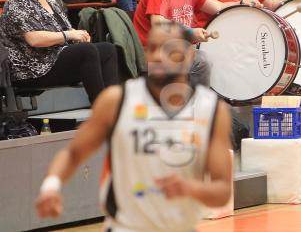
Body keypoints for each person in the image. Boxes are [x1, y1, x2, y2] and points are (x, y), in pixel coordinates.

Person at [36, 22, 232, 232]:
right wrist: (51, 186)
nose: (157, 56)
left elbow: (222, 191)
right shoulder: (116, 100)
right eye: (152, 48)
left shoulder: (211, 110)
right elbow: (73, 153)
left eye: (168, 49)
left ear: (188, 55)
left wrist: (191, 189)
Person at [0, 0, 118, 103]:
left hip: (54, 59)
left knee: (108, 50)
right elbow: (34, 39)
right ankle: (101, 108)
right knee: (86, 51)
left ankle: (112, 105)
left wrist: (78, 35)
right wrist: (68, 35)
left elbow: (65, 29)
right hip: (31, 69)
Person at [133, 0, 244, 87]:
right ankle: (198, 101)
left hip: (175, 51)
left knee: (218, 53)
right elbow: (159, 25)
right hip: (152, 58)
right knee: (201, 60)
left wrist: (242, 3)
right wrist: (190, 33)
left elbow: (219, 7)